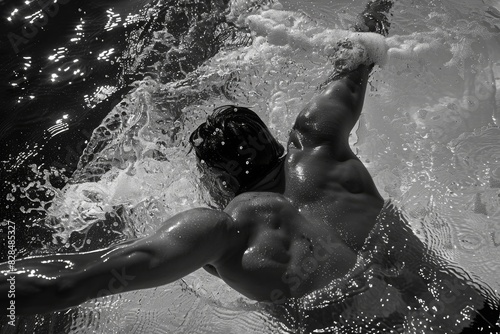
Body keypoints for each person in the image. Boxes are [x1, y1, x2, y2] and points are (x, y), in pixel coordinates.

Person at [1, 1, 499, 332]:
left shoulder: (227, 228)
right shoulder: (321, 145)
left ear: (216, 179)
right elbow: (360, 54)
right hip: (478, 315)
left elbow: (76, 280)